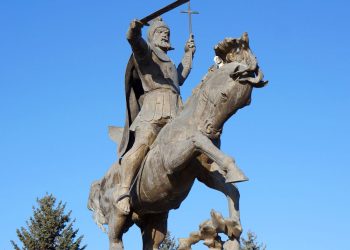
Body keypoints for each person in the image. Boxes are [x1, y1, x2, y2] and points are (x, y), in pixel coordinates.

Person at [116, 17, 196, 215]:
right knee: (142, 144)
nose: (165, 35)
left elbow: (180, 78)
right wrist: (134, 31)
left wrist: (188, 54)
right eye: (161, 32)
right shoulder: (147, 54)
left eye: (167, 33)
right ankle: (124, 192)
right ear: (152, 36)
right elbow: (135, 42)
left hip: (176, 113)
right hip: (153, 113)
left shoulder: (168, 61)